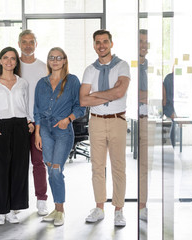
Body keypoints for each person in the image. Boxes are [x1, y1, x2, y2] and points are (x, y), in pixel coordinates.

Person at [80, 29, 130, 227]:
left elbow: (120, 92)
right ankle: (99, 208)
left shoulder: (122, 66)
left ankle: (119, 209)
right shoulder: (89, 70)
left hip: (117, 120)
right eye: (98, 42)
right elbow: (83, 100)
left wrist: (97, 95)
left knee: (119, 167)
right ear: (94, 45)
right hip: (97, 121)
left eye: (105, 42)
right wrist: (109, 94)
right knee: (97, 167)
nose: (101, 45)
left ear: (111, 43)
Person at [34, 47, 85, 226]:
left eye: (58, 57)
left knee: (56, 170)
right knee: (50, 170)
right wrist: (37, 133)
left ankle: (61, 211)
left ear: (64, 60)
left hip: (63, 130)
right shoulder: (42, 83)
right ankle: (55, 209)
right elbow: (37, 111)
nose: (55, 60)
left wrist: (68, 119)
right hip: (45, 130)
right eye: (51, 57)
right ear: (48, 61)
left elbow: (81, 107)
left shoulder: (72, 81)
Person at [0, 47, 34, 225]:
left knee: (19, 169)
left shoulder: (23, 83)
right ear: (0, 61)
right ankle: (0, 210)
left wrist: (29, 122)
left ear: (16, 62)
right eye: (5, 58)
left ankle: (13, 209)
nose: (9, 61)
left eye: (13, 58)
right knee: (0, 169)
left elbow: (26, 105)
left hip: (21, 125)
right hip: (1, 127)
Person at [18, 30, 48, 216]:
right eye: (24, 42)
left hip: (39, 123)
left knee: (39, 162)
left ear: (36, 44)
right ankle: (17, 203)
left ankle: (42, 200)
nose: (28, 45)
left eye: (31, 42)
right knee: (19, 165)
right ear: (19, 44)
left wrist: (39, 121)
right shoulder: (13, 65)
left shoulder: (44, 67)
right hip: (18, 122)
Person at [138, 29, 149, 221]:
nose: (143, 46)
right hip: (127, 117)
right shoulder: (128, 66)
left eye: (146, 42)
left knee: (144, 166)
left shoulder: (149, 66)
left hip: (146, 118)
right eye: (140, 42)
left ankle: (142, 206)